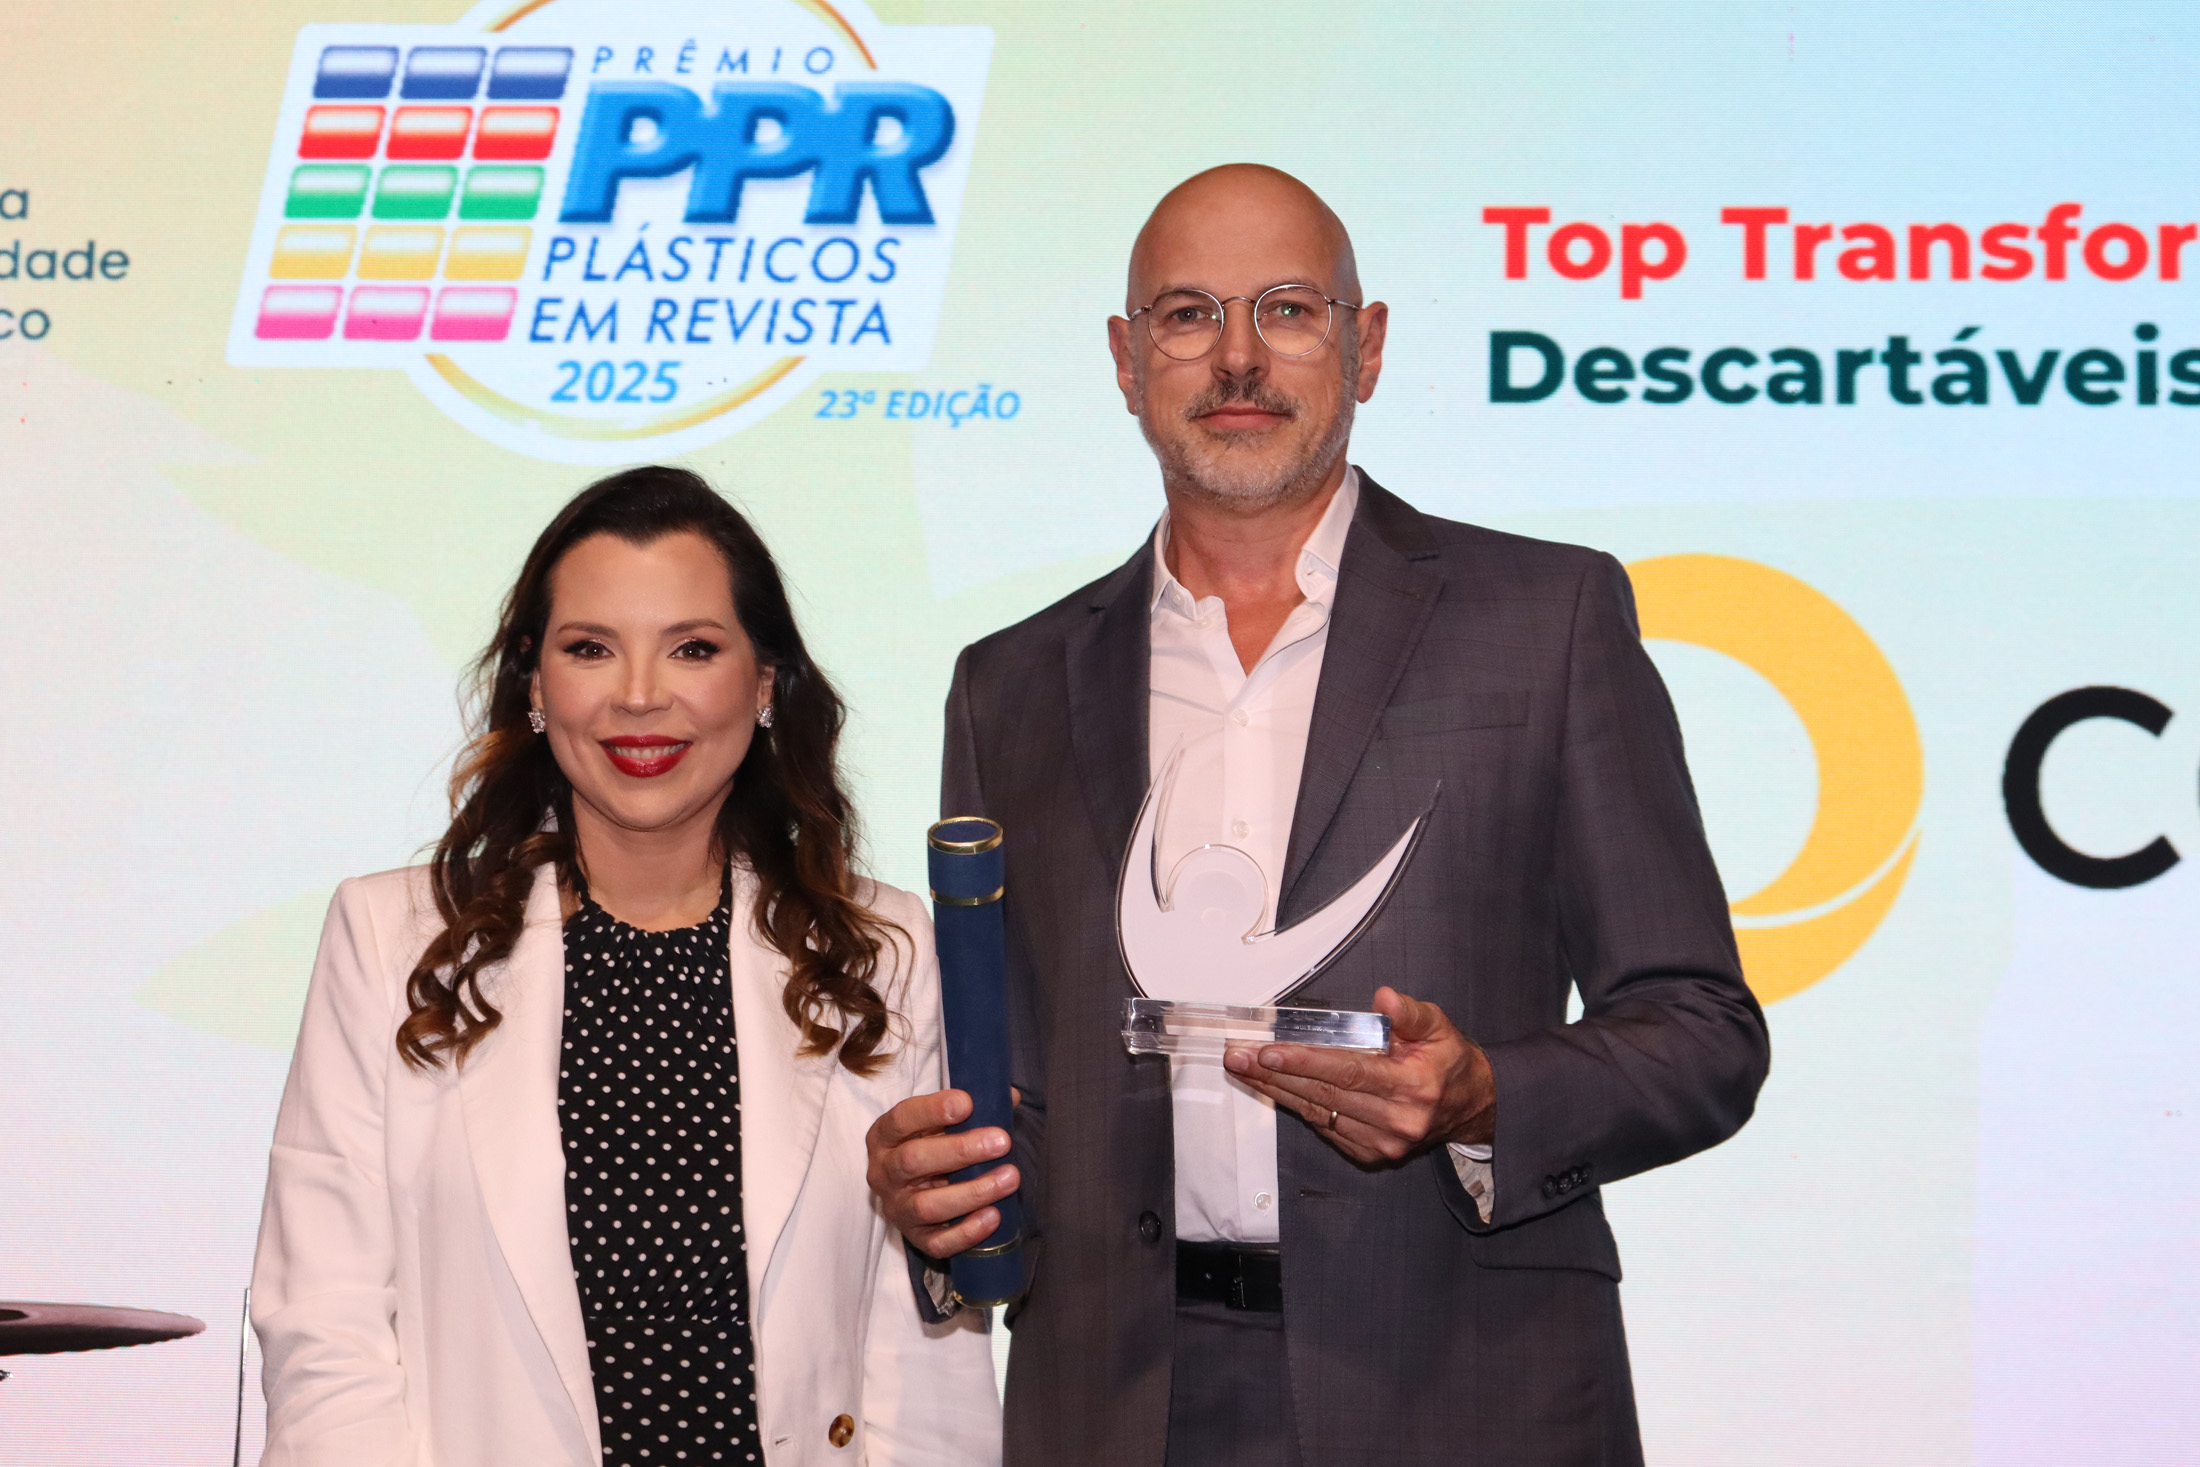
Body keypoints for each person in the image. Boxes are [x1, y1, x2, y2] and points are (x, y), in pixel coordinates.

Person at [865, 165, 1772, 1466]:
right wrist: (943, 1191)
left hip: (1466, 1391)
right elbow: (1015, 1090)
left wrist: (1483, 1096)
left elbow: (1701, 1030)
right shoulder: (1008, 685)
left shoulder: (1546, 621)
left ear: (1369, 345)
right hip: (1118, 1404)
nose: (1237, 357)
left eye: (1288, 309)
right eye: (1188, 315)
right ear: (1125, 360)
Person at [252, 467, 1000, 1467]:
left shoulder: (880, 949)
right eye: (590, 649)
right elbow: (325, 1326)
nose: (640, 697)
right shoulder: (391, 939)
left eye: (693, 648)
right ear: (534, 684)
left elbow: (921, 1354)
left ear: (764, 683)